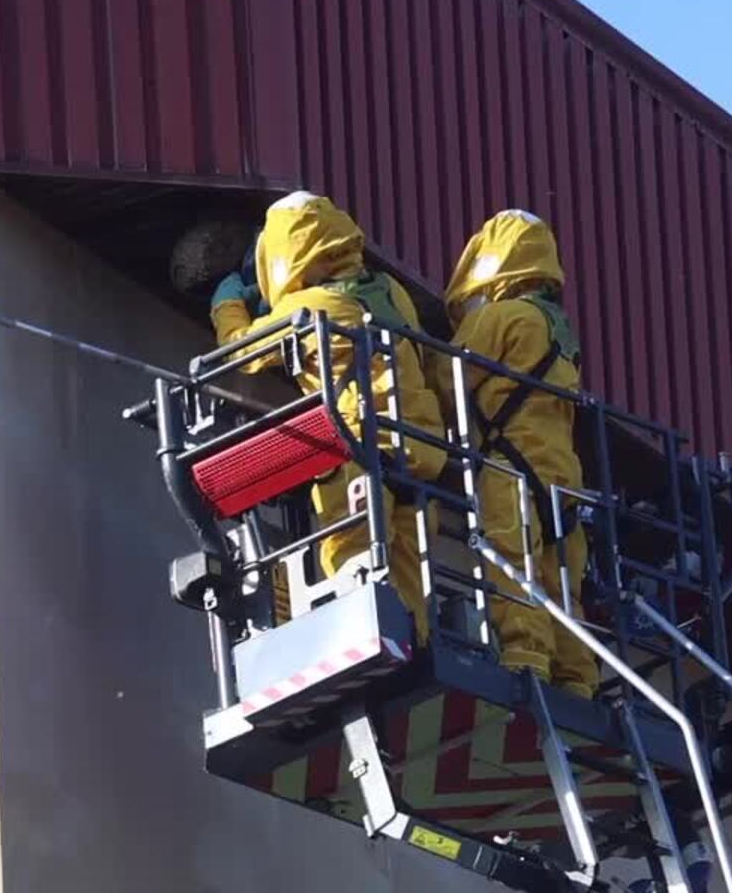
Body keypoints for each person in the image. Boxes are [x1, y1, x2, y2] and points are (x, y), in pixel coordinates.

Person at [209, 191, 447, 639]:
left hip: (359, 450)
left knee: (353, 553)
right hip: (417, 454)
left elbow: (239, 352)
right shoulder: (390, 292)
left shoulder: (310, 308)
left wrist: (228, 304)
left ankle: (360, 634)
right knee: (409, 575)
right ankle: (413, 647)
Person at [433, 209, 596, 699]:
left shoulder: (500, 318)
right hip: (562, 478)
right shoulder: (559, 331)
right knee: (562, 583)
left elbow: (451, 378)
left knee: (512, 562)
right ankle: (578, 680)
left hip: (510, 468)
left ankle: (527, 662)